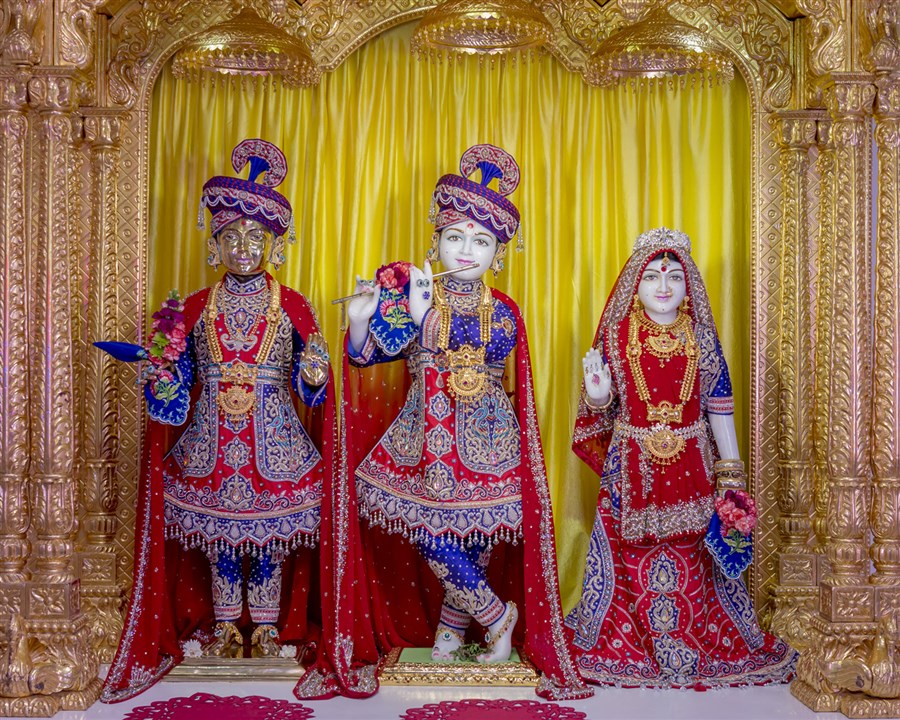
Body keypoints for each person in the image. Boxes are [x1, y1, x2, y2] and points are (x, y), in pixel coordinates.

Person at [297, 145, 590, 700]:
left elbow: (485, 347)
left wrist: (425, 315)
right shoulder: (413, 295)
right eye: (455, 237)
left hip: (485, 436)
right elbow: (368, 357)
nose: (466, 251)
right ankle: (496, 616)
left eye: (481, 242)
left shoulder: (502, 309)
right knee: (435, 534)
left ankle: (455, 631)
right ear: (435, 243)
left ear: (498, 255)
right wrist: (360, 321)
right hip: (423, 437)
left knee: (471, 535)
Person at [102, 139, 336, 702]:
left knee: (271, 540)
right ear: (213, 245)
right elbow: (177, 379)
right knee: (221, 542)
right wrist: (162, 376)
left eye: (255, 238)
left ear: (275, 245)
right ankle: (228, 626)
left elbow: (316, 387)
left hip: (276, 440)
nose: (243, 248)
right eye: (230, 237)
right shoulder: (195, 306)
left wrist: (313, 373)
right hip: (211, 439)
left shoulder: (293, 305)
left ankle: (268, 627)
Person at [566, 226, 796, 688]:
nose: (663, 286)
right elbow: (602, 410)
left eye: (674, 277)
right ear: (635, 283)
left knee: (695, 553)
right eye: (652, 276)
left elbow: (719, 405)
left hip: (693, 463)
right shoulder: (616, 335)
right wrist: (597, 394)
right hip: (631, 466)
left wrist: (731, 476)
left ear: (689, 284)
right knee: (629, 553)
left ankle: (693, 638)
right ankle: (632, 639)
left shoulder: (701, 338)